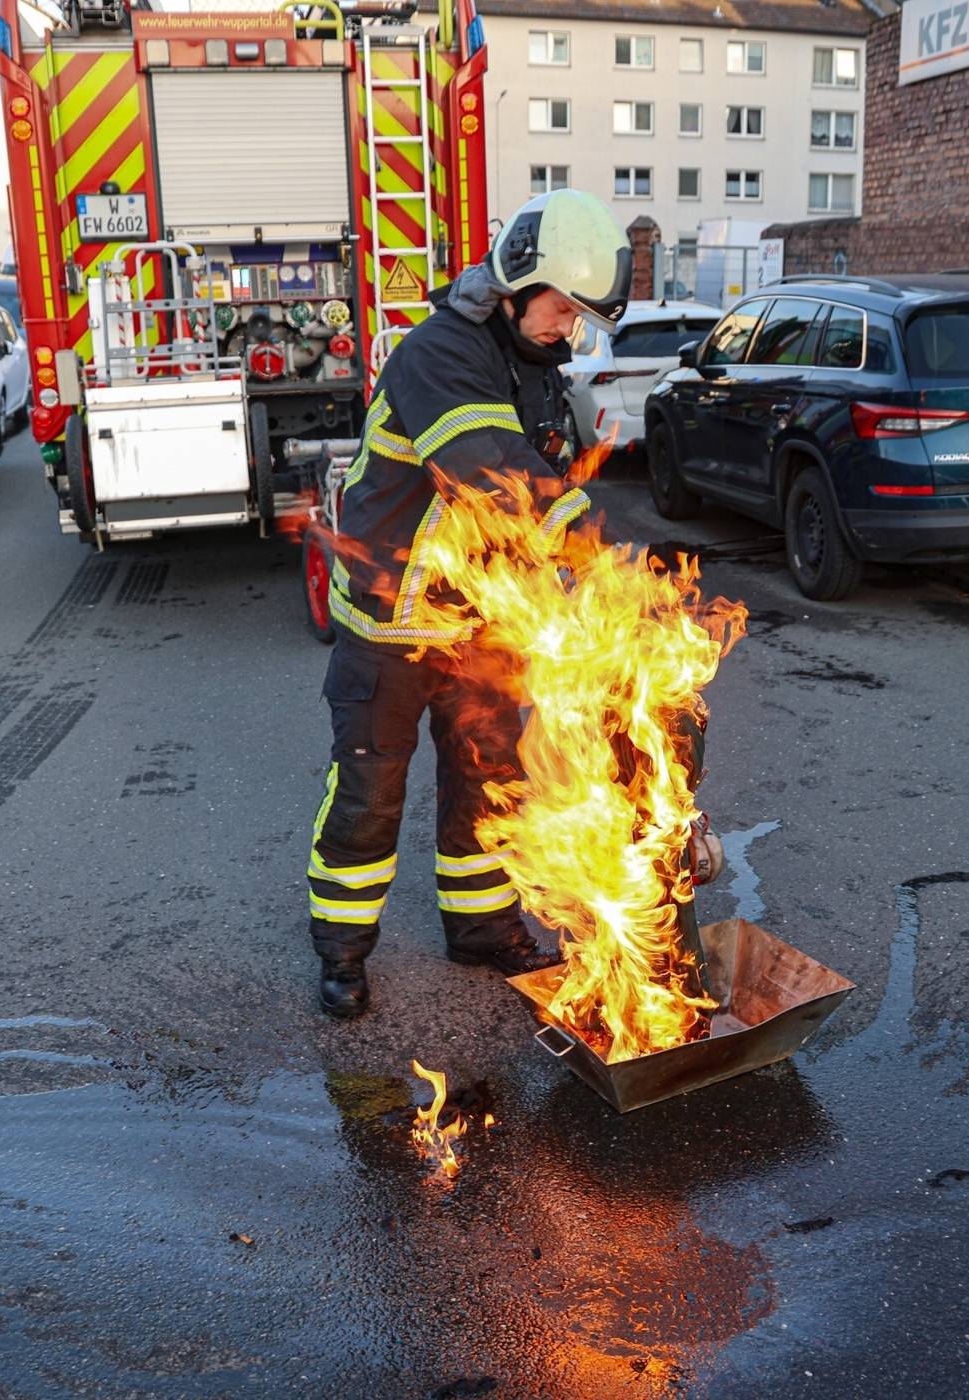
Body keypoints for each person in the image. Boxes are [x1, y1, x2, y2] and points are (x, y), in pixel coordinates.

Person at [305, 189, 631, 1018]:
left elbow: (551, 457)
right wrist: (589, 545)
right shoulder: (439, 353)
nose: (570, 328)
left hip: (481, 626)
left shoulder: (535, 366)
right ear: (519, 283)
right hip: (391, 622)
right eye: (563, 309)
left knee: (489, 785)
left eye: (580, 316)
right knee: (369, 795)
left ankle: (481, 928)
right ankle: (342, 954)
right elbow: (491, 467)